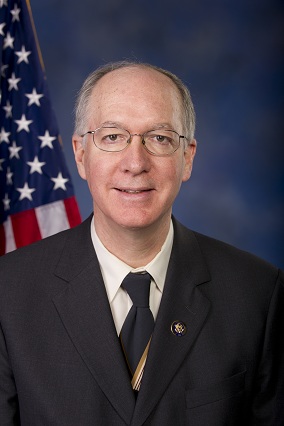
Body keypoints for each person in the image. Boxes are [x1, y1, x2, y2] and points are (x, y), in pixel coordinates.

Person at [0, 61, 283, 426]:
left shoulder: (258, 294)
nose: (135, 163)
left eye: (160, 138)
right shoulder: (9, 292)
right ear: (81, 154)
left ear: (188, 158)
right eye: (113, 136)